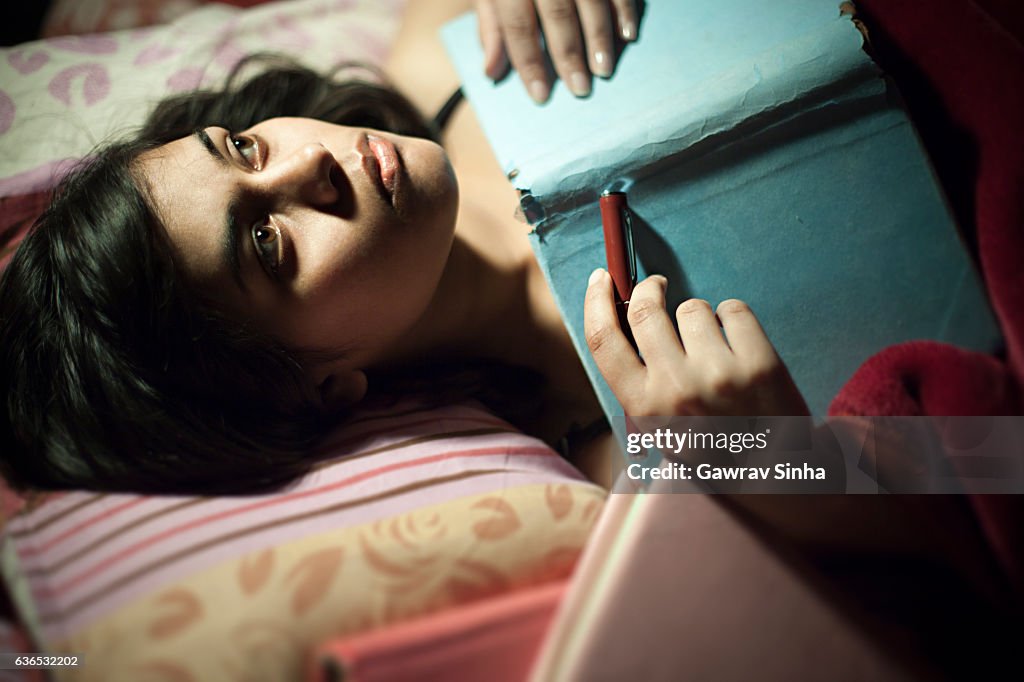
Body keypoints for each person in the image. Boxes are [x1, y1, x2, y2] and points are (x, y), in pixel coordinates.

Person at [0, 0, 807, 496]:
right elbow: (925, 509)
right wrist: (780, 464)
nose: (308, 163)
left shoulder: (443, 50)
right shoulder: (638, 442)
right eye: (267, 242)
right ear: (315, 390)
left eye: (243, 148)